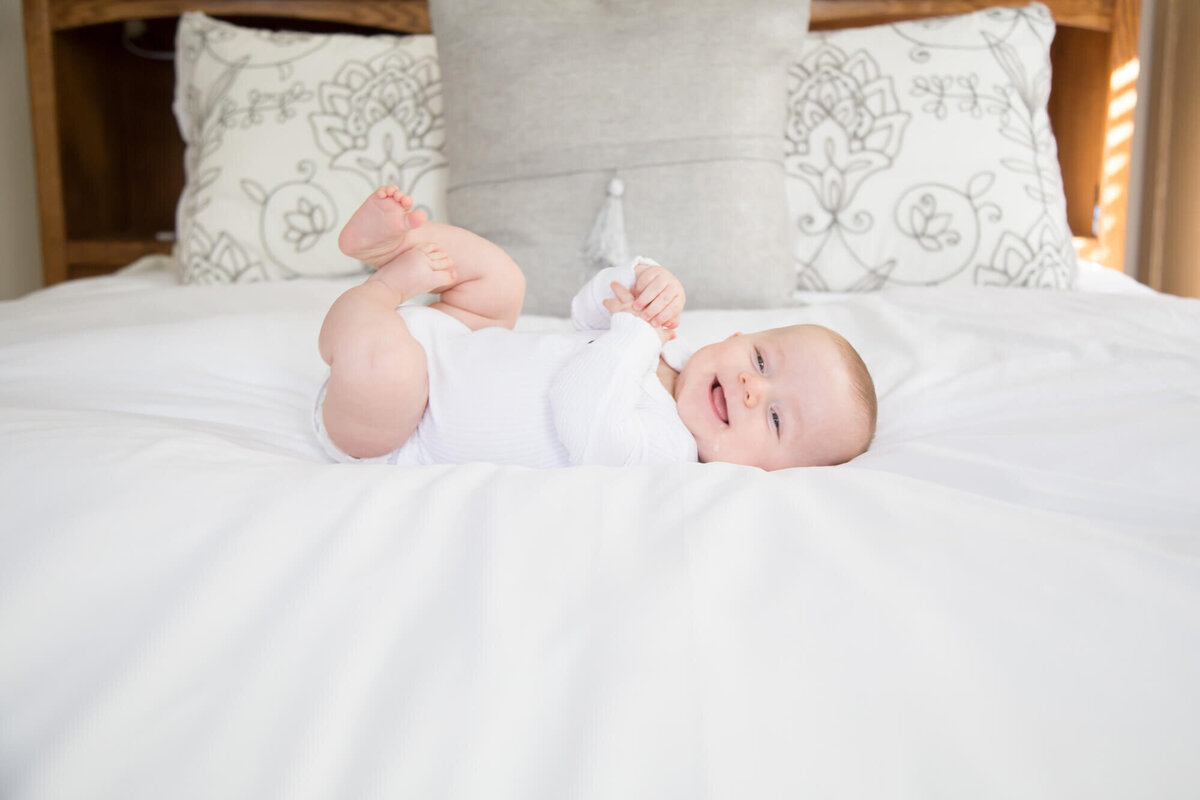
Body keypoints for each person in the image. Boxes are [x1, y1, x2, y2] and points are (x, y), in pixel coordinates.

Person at [316, 186, 876, 470]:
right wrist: (641, 279)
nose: (753, 389)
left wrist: (634, 334)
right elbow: (585, 314)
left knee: (387, 369)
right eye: (760, 361)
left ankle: (378, 292)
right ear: (734, 340)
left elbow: (580, 408)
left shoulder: (667, 449)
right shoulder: (674, 352)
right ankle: (393, 245)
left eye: (776, 418)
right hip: (465, 338)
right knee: (503, 280)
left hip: (401, 423)